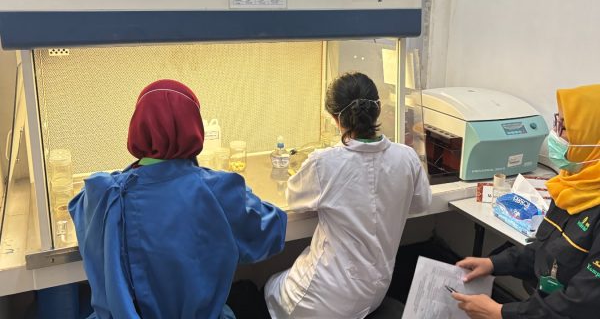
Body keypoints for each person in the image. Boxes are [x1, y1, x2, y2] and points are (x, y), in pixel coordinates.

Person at [69, 79, 287, 319]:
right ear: (194, 129)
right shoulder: (218, 190)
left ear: (137, 127)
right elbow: (271, 233)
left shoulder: (102, 194)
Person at [264, 72, 432, 318]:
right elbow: (421, 204)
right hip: (373, 295)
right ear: (378, 109)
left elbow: (293, 199)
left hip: (322, 299)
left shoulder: (324, 162)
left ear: (334, 118)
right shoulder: (407, 157)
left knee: (270, 286)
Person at [452, 84, 600, 319]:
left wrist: (501, 313)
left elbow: (580, 304)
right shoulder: (574, 186)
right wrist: (493, 263)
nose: (555, 134)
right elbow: (544, 248)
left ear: (592, 139)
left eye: (564, 127)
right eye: (557, 121)